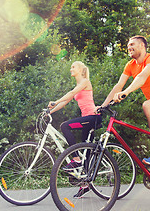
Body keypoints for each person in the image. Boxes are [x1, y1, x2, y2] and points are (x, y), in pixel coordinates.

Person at [97, 35, 150, 206]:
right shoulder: (130, 65)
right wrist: (103, 105)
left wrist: (126, 93)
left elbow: (142, 77)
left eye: (132, 44)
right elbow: (117, 86)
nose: (129, 47)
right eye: (128, 45)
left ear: (142, 46)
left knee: (147, 106)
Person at [48, 61, 101, 198]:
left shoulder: (85, 81)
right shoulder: (78, 85)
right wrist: (50, 111)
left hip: (92, 118)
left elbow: (71, 93)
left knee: (65, 126)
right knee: (87, 151)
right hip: (86, 120)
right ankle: (85, 185)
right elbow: (66, 101)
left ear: (80, 69)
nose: (70, 69)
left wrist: (55, 101)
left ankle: (75, 159)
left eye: (73, 67)